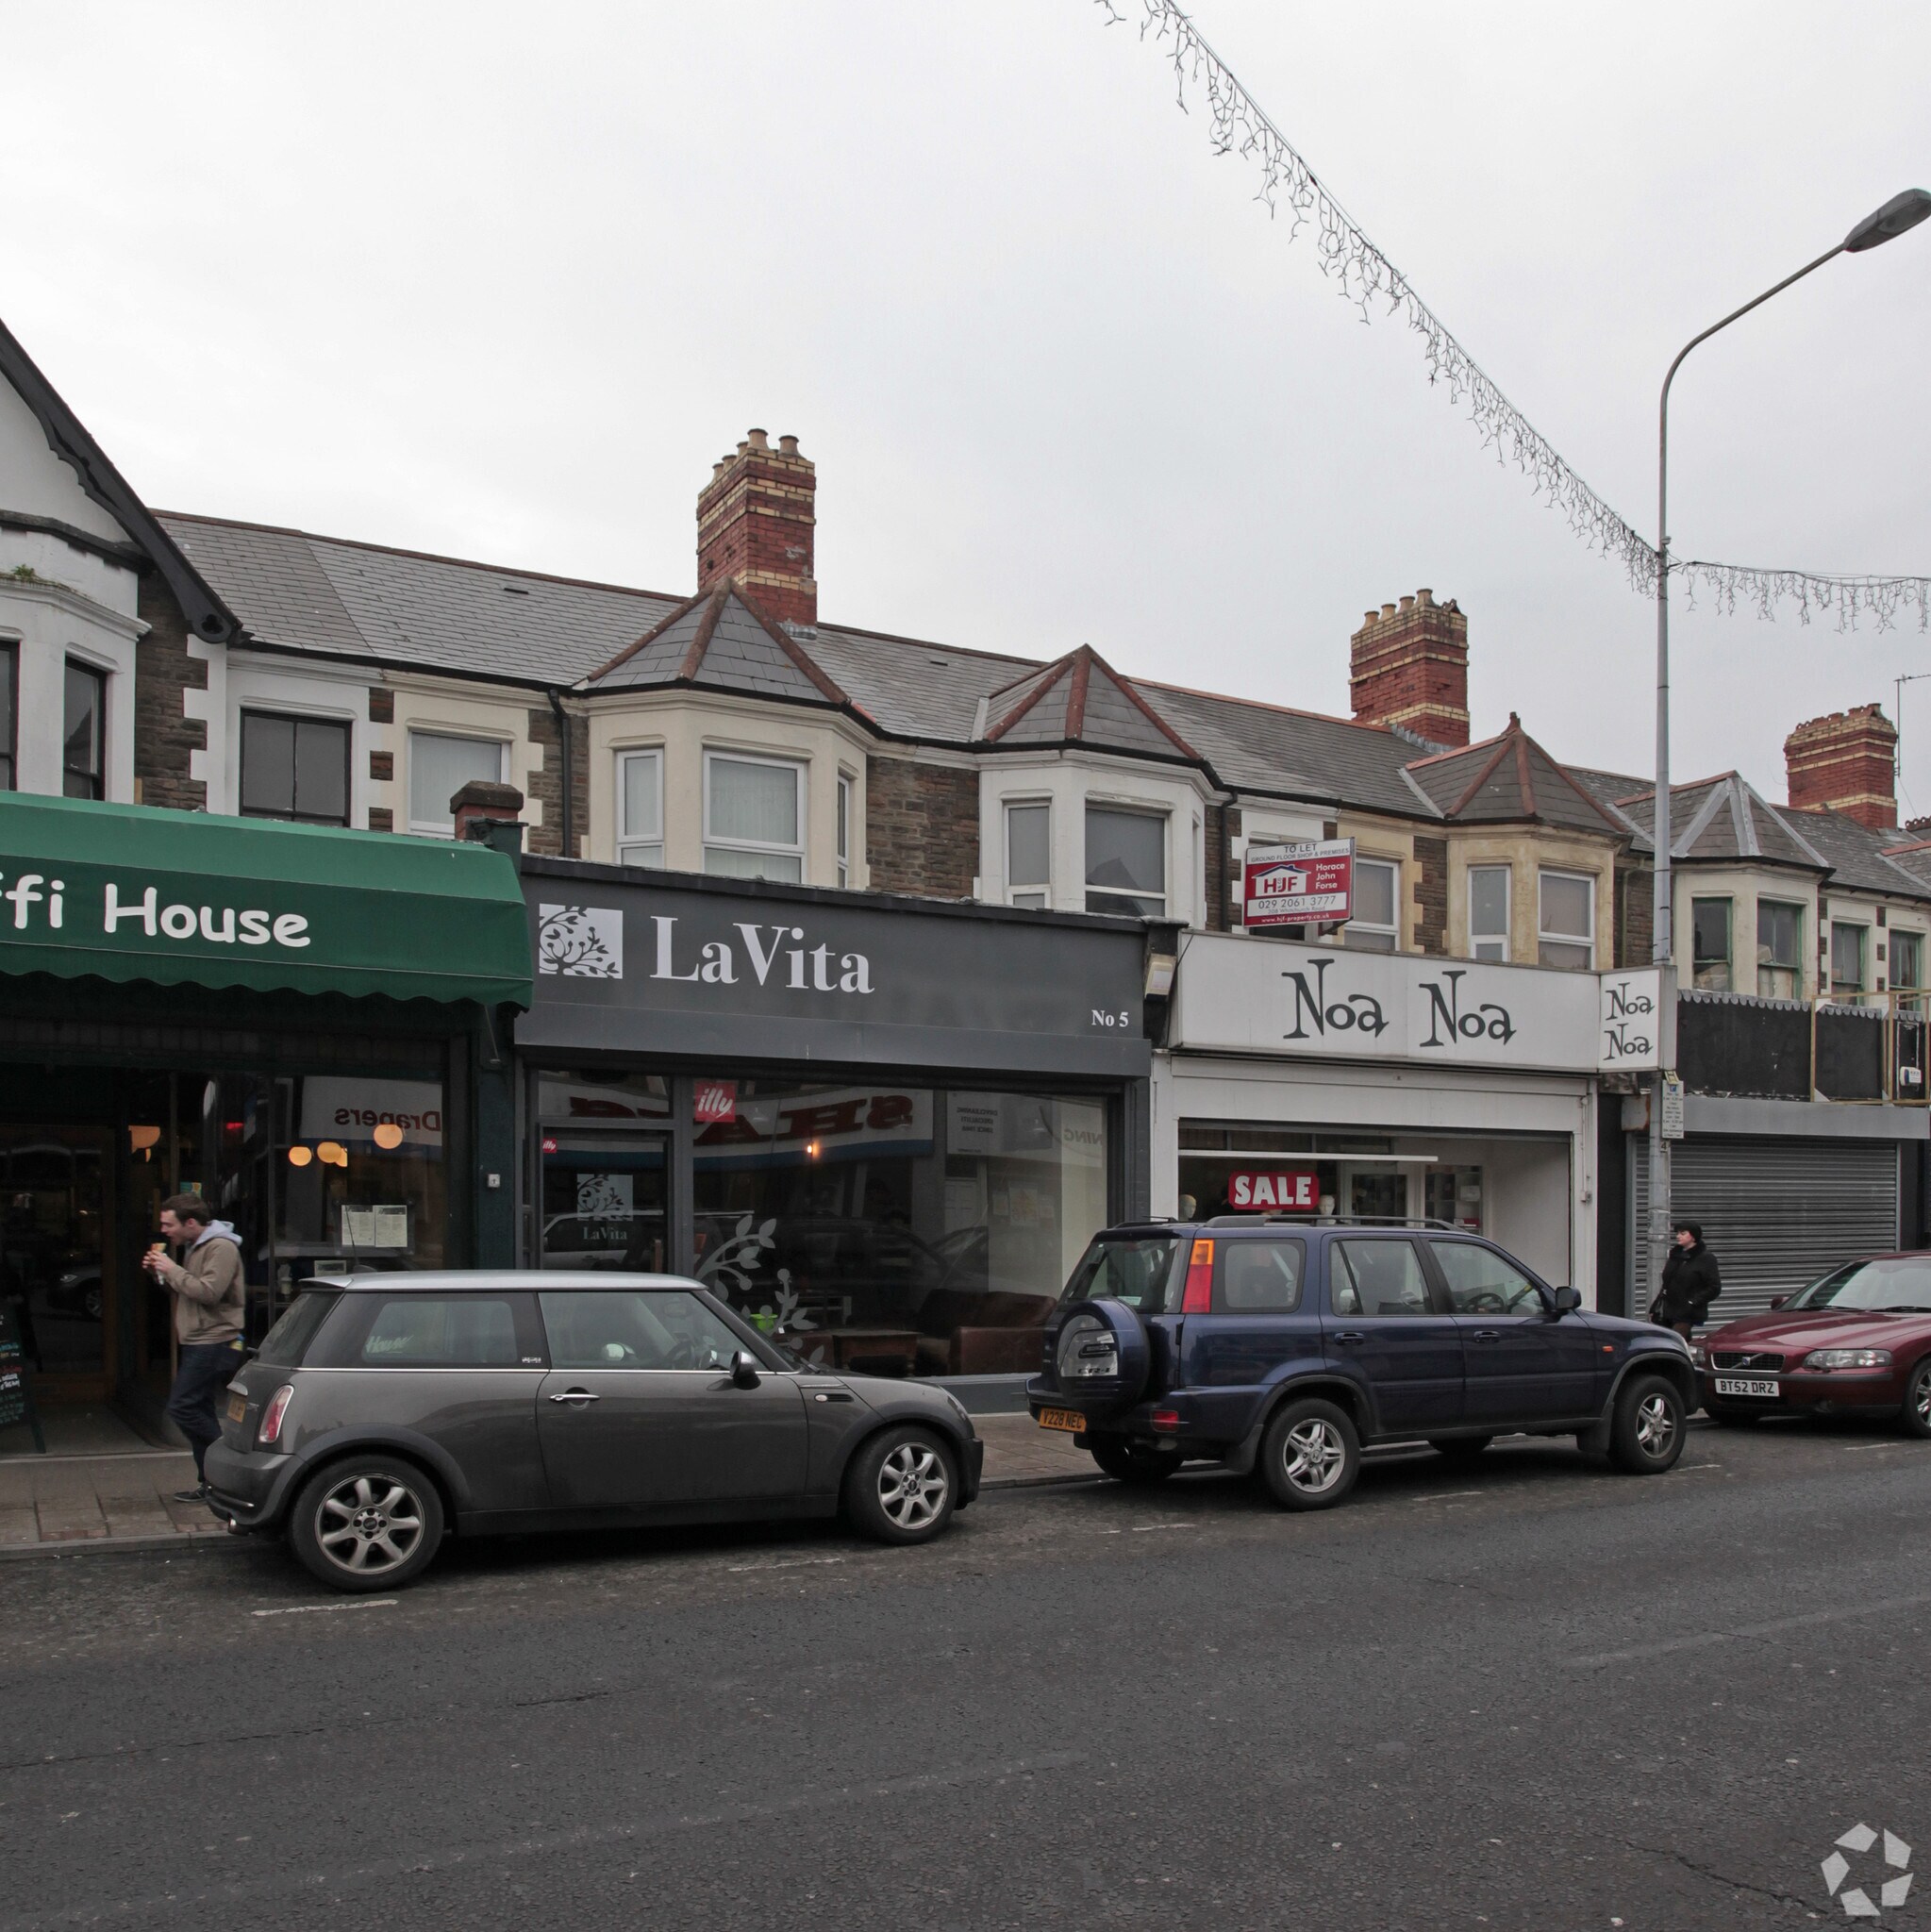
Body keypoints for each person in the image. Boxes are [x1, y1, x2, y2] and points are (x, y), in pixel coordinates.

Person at [141, 1193, 244, 1505]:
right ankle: (212, 1483)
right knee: (197, 1409)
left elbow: (209, 1293)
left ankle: (232, 1466)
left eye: (168, 1224)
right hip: (199, 1339)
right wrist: (158, 1273)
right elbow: (187, 1290)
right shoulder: (195, 1247)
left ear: (190, 1222)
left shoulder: (221, 1247)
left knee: (182, 1407)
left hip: (216, 1340)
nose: (165, 1230)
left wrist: (171, 1268)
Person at [1652, 1218, 1722, 1341]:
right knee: (1679, 1344)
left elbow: (1714, 1287)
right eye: (1677, 1233)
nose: (1678, 1236)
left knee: (1673, 1342)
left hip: (1687, 1313)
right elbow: (1667, 1283)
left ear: (1693, 1236)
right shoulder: (1676, 1256)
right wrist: (1655, 1306)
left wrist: (1693, 1302)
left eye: (1683, 1233)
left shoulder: (1705, 1258)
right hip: (1668, 1310)